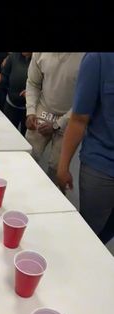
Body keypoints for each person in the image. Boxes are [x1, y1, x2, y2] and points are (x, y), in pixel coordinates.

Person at [57, 53, 114, 244]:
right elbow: (79, 119)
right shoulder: (98, 58)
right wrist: (63, 166)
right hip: (101, 166)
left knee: (105, 234)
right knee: (88, 234)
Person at [25, 52, 84, 183]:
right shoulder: (40, 54)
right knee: (27, 157)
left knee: (57, 170)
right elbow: (33, 83)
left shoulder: (86, 57)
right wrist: (30, 111)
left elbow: (85, 99)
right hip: (44, 110)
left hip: (70, 117)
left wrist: (58, 125)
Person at [0, 52, 32, 136]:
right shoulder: (13, 57)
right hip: (11, 105)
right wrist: (0, 79)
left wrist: (31, 92)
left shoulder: (39, 59)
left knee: (26, 139)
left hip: (29, 110)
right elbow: (5, 76)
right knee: (7, 135)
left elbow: (44, 84)